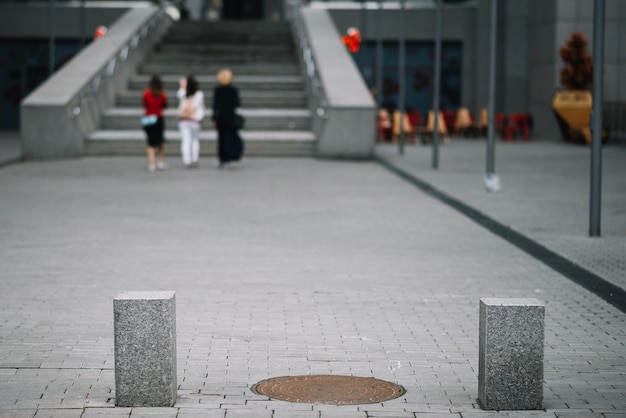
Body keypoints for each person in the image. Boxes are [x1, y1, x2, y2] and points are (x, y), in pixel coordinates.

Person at [211, 68, 241, 169]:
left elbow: (215, 105)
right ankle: (227, 160)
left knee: (221, 139)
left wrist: (214, 118)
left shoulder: (218, 90)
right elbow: (237, 103)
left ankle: (222, 159)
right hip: (230, 117)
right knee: (228, 138)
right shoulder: (233, 90)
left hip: (221, 117)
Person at [177, 75, 205, 169]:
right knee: (195, 140)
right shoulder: (199, 94)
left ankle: (187, 160)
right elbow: (200, 108)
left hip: (184, 120)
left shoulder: (182, 93)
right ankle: (195, 158)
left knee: (186, 140)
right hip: (195, 120)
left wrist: (183, 85)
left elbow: (180, 91)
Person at [142, 75, 168, 172]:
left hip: (148, 118)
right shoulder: (162, 94)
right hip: (158, 118)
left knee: (150, 142)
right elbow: (165, 105)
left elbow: (144, 105)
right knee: (160, 141)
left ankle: (152, 163)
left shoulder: (146, 94)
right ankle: (160, 161)